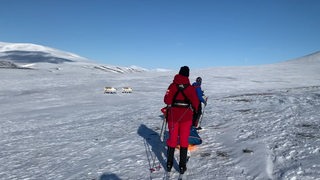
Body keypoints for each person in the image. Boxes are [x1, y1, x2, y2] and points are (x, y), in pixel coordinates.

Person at [163, 66, 199, 174]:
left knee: (172, 139)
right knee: (183, 140)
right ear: (188, 75)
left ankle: (169, 164)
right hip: (186, 118)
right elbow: (196, 104)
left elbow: (166, 99)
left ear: (179, 73)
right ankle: (182, 166)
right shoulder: (190, 88)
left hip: (173, 117)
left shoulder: (172, 86)